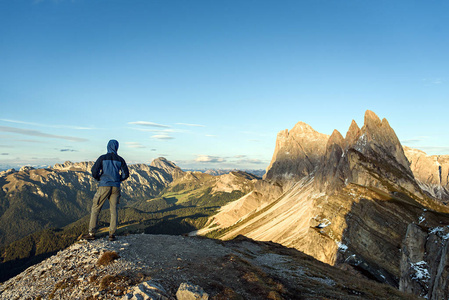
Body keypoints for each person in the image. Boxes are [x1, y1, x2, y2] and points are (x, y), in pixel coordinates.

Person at [82, 139, 129, 241]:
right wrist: (118, 179)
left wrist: (99, 178)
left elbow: (94, 171)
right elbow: (126, 174)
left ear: (108, 146)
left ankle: (91, 233)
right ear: (117, 147)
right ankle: (112, 234)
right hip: (116, 187)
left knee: (96, 208)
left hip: (104, 185)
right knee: (114, 210)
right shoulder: (120, 159)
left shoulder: (102, 158)